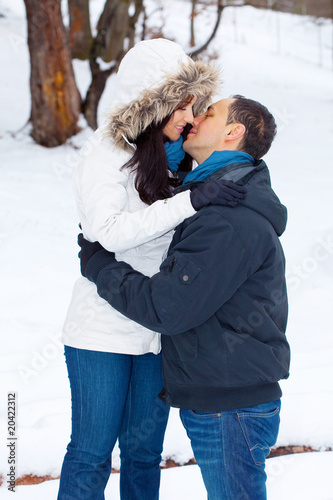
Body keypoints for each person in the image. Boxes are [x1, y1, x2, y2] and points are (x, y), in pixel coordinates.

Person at [58, 39, 247, 500]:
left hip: (153, 331)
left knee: (144, 454)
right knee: (91, 453)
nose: (190, 116)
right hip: (101, 331)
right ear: (155, 100)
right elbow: (110, 233)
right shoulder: (103, 154)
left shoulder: (168, 156)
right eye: (183, 105)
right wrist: (189, 201)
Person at [77, 95, 291, 500]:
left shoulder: (227, 217)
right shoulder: (222, 196)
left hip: (231, 407)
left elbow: (167, 307)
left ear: (233, 132)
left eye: (208, 113)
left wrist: (101, 266)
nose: (193, 118)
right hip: (227, 398)